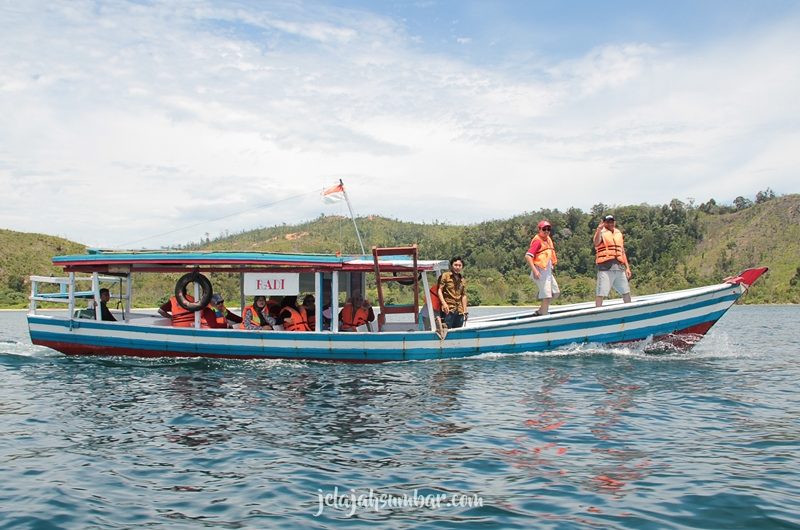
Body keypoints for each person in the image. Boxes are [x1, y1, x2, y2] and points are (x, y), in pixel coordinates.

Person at [593, 214, 632, 306]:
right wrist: (598, 229)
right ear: (604, 223)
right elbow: (596, 242)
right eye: (608, 222)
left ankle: (630, 310)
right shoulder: (602, 232)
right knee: (601, 293)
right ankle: (598, 312)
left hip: (619, 267)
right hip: (605, 268)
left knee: (626, 291)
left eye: (612, 221)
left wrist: (627, 268)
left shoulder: (618, 233)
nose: (610, 223)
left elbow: (622, 251)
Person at [526, 220, 560, 316]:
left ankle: (541, 310)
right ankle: (544, 315)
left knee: (556, 293)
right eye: (544, 229)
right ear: (539, 230)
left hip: (548, 271)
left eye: (548, 229)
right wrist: (535, 271)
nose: (546, 231)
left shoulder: (548, 240)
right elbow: (528, 256)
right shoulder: (537, 241)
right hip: (540, 270)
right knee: (547, 295)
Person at [437, 256, 468, 329]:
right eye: (455, 265)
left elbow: (463, 296)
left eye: (460, 265)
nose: (457, 267)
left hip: (459, 310)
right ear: (451, 266)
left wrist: (465, 310)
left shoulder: (462, 280)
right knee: (446, 329)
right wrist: (444, 304)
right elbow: (439, 290)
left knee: (458, 331)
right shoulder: (445, 276)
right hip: (448, 309)